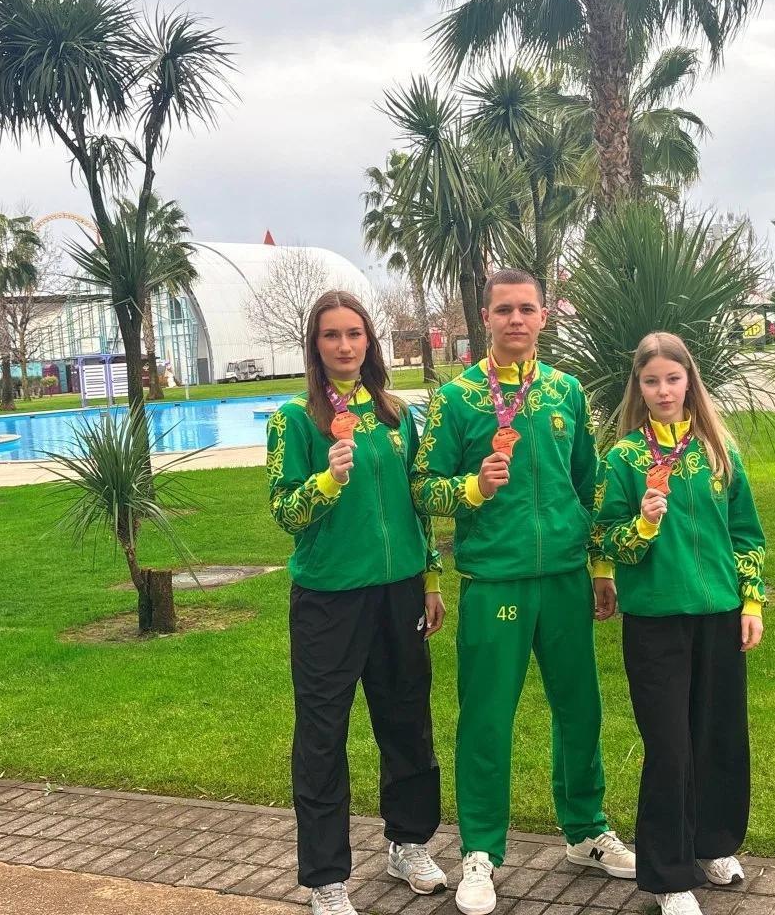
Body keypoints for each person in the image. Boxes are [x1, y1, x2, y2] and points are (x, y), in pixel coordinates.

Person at [411, 268, 636, 915]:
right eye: (504, 309)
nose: (516, 319)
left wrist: (601, 567)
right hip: (495, 581)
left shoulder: (565, 391)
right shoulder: (457, 399)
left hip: (564, 576)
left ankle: (586, 831)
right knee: (486, 719)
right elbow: (422, 486)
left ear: (544, 316)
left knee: (580, 710)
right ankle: (480, 853)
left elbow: (591, 485)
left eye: (527, 309)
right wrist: (473, 487)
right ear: (484, 317)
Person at [266, 290, 448, 915]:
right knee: (323, 735)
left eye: (354, 334)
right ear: (315, 346)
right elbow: (285, 511)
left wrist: (430, 578)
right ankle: (326, 877)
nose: (344, 345)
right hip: (329, 599)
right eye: (331, 335)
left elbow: (418, 505)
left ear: (369, 341)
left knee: (407, 721)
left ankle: (408, 843)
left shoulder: (398, 415)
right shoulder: (295, 420)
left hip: (399, 592)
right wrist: (327, 480)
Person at [592, 332, 767, 915]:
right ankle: (669, 877)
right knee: (669, 747)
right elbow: (604, 537)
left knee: (718, 736)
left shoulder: (718, 452)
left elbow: (745, 533)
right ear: (638, 389)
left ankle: (713, 844)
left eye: (672, 378)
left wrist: (751, 602)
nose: (663, 390)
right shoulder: (623, 459)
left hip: (719, 616)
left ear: (689, 381)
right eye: (651, 381)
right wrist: (642, 525)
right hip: (656, 622)